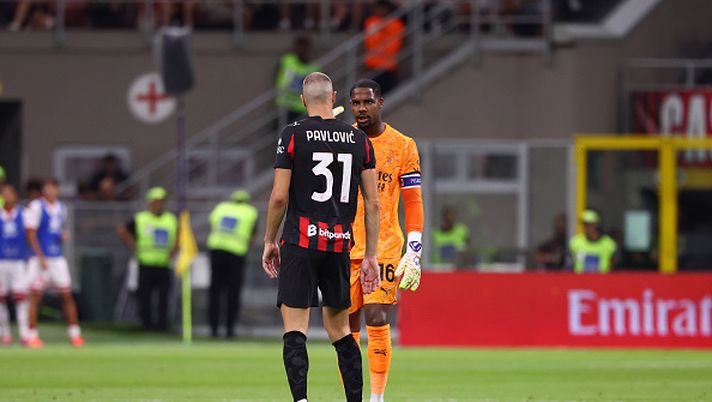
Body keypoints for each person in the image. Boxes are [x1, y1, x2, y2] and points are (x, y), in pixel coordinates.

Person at [262, 72, 381, 402]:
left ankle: (301, 401)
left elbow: (279, 197)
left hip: (300, 243)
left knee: (295, 330)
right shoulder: (360, 141)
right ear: (334, 98)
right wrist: (371, 255)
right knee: (341, 332)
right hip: (339, 245)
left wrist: (270, 240)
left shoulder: (293, 134)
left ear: (303, 100)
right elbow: (372, 202)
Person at [346, 78, 423, 402]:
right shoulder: (343, 141)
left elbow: (413, 200)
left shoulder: (403, 145)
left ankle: (377, 398)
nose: (361, 108)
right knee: (345, 326)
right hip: (345, 245)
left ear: (380, 103)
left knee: (377, 316)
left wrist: (415, 247)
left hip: (386, 246)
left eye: (367, 102)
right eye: (356, 103)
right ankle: (354, 395)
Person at [24, 179, 84, 348]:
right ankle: (32, 335)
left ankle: (75, 334)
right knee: (35, 296)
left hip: (57, 257)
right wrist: (40, 256)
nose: (50, 191)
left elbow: (54, 231)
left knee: (66, 294)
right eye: (47, 188)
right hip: (40, 259)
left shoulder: (61, 208)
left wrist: (61, 236)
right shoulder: (36, 207)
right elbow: (31, 234)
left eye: (53, 188)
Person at [117, 187, 178, 331]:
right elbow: (122, 230)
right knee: (145, 296)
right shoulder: (141, 218)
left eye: (161, 201)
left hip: (164, 264)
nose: (159, 204)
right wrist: (133, 244)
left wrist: (174, 250)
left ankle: (162, 325)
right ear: (150, 202)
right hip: (146, 262)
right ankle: (146, 325)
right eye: (156, 201)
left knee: (164, 297)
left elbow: (179, 236)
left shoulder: (170, 219)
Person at [206, 189, 259, 338]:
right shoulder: (251, 212)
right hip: (236, 253)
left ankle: (213, 329)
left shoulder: (221, 208)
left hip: (216, 250)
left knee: (215, 291)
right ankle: (230, 329)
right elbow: (252, 236)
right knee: (233, 293)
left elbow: (212, 223)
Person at [0, 184, 30, 346]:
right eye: (4, 193)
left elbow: (31, 235)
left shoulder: (24, 214)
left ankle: (24, 333)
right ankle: (4, 333)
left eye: (10, 193)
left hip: (18, 262)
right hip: (1, 261)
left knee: (21, 298)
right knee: (1, 299)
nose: (7, 196)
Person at [275, 36, 321, 126]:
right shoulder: (288, 60)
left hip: (303, 109)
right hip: (285, 105)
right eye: (299, 48)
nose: (302, 51)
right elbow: (277, 74)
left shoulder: (315, 67)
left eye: (304, 48)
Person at [363, 1, 405, 95]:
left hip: (388, 66)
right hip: (372, 64)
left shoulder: (396, 23)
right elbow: (369, 42)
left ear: (387, 9)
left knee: (387, 94)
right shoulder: (371, 21)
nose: (378, 10)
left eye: (381, 8)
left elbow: (394, 46)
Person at [569, 209, 618, 274]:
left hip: (602, 281)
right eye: (584, 224)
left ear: (596, 224)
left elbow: (614, 267)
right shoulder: (575, 242)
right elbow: (569, 265)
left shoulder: (609, 244)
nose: (586, 227)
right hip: (580, 281)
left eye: (590, 224)